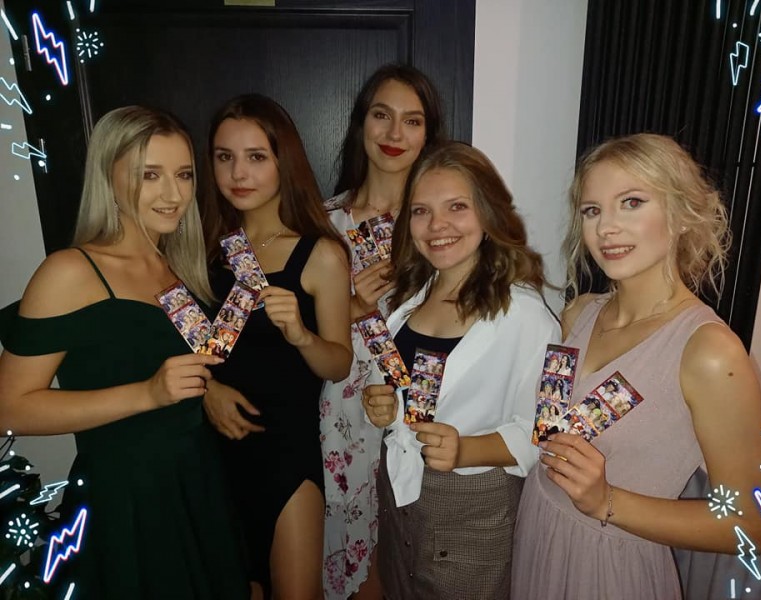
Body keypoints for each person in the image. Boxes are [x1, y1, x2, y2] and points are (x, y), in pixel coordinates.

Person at [510, 133, 761, 599]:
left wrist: (606, 501)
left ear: (681, 214)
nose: (606, 227)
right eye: (592, 210)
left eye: (631, 202)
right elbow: (550, 433)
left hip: (610, 567)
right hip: (540, 531)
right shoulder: (579, 313)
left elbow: (751, 525)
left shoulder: (710, 352)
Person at [0, 106, 249, 598]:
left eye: (183, 175)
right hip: (126, 497)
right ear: (108, 176)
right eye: (149, 175)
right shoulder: (71, 271)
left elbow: (158, 358)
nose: (173, 194)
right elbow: (9, 407)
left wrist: (209, 389)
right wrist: (147, 394)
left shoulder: (177, 264)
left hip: (196, 481)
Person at [361, 142, 560, 600]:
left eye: (457, 207)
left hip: (474, 510)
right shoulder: (407, 301)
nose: (437, 226)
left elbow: (546, 432)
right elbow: (398, 390)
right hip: (399, 494)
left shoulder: (530, 316)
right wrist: (382, 404)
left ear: (488, 214)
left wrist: (466, 449)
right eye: (421, 211)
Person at [199, 94, 352, 600]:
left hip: (287, 452)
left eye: (256, 157)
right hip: (214, 453)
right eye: (225, 157)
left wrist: (302, 335)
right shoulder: (205, 250)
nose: (238, 173)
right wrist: (206, 390)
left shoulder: (320, 253)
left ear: (283, 162)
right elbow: (178, 346)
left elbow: (339, 363)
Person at [319, 63, 445, 600]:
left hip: (421, 406)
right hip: (340, 408)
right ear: (360, 123)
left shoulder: (440, 225)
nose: (395, 134)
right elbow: (290, 333)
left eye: (412, 121)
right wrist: (351, 307)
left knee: (413, 556)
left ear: (428, 134)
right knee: (348, 555)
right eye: (382, 115)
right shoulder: (322, 222)